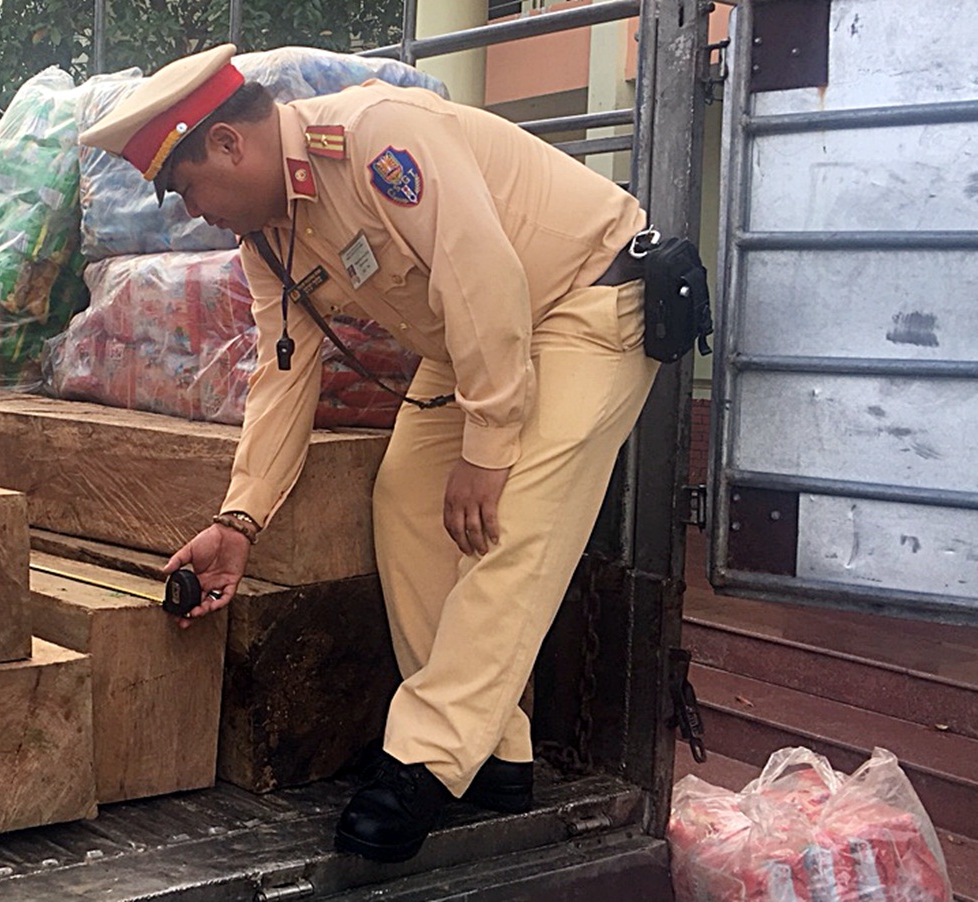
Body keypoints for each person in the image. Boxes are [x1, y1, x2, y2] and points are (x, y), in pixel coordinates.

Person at [80, 44, 660, 864]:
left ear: (229, 146)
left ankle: (424, 759)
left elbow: (482, 272)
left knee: (512, 524)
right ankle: (494, 752)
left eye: (186, 188)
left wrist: (490, 447)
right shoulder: (269, 237)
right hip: (477, 339)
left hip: (586, 302)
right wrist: (239, 520)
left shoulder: (375, 140)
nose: (192, 212)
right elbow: (282, 378)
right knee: (405, 501)